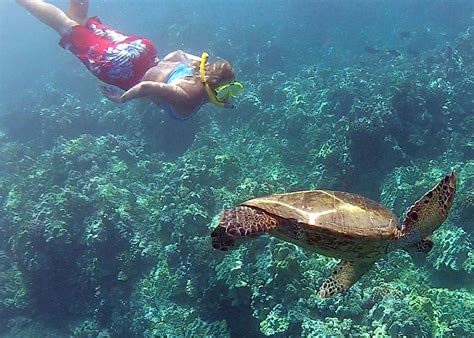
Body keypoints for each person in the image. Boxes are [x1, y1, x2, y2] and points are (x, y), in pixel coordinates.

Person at [16, 0, 244, 120]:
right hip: (121, 66)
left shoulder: (195, 70)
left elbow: (175, 54)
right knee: (66, 27)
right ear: (212, 85)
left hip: (143, 51)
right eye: (227, 91)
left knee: (80, 23)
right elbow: (147, 86)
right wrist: (121, 100)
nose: (227, 97)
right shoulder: (189, 99)